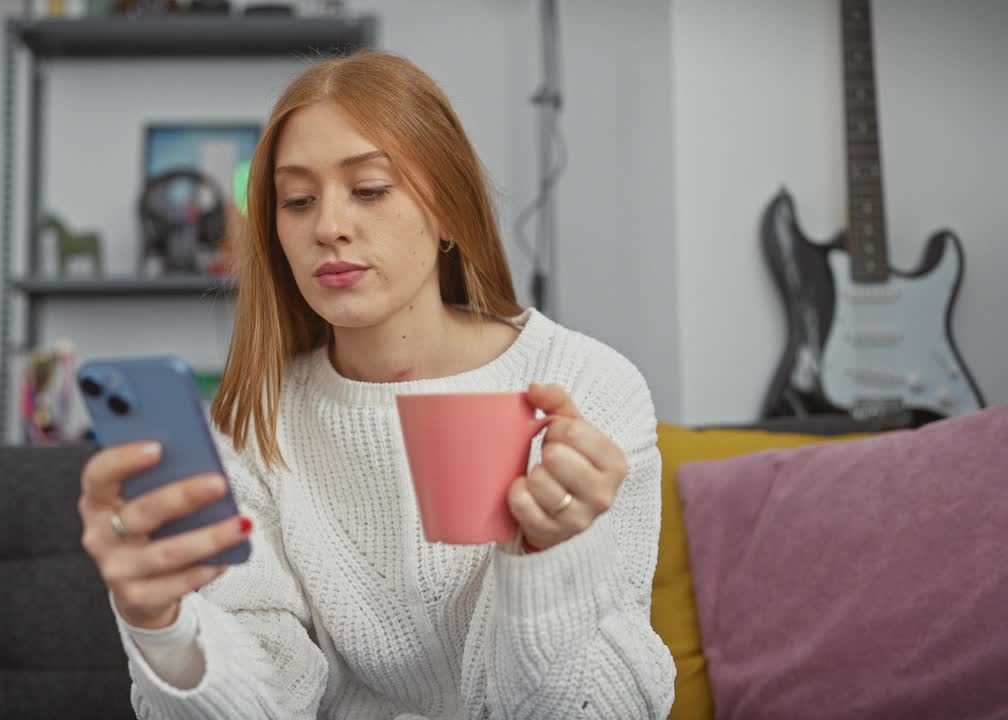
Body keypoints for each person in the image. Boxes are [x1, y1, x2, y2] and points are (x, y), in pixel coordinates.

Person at [77, 51, 675, 719]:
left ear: (448, 210)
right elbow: (269, 698)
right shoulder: (255, 423)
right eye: (297, 200)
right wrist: (164, 629)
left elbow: (611, 710)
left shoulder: (588, 387)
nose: (327, 226)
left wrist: (553, 561)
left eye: (369, 189)